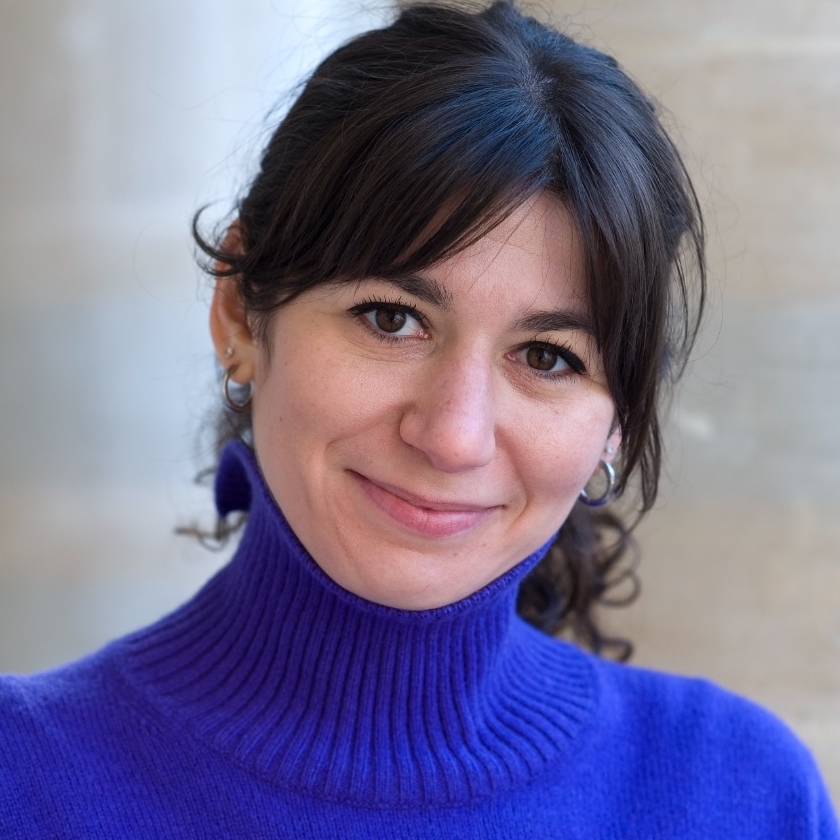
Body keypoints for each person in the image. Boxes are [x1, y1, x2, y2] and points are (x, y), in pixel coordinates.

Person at [1, 1, 837, 836]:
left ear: (616, 422)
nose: (453, 436)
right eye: (392, 318)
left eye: (548, 357)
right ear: (240, 315)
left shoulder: (739, 795)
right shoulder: (25, 778)